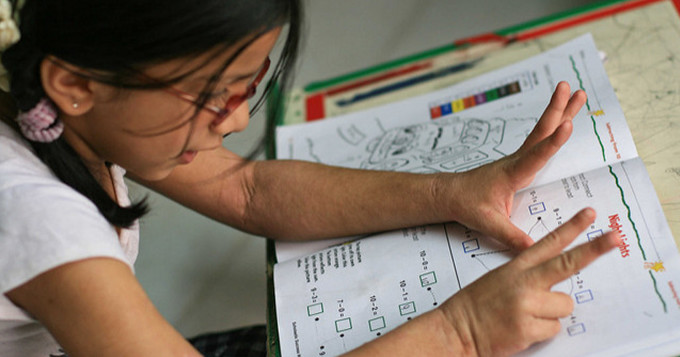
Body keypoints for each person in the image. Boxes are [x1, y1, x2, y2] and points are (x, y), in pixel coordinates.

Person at [0, 0, 620, 356]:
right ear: (76, 85)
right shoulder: (39, 219)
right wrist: (460, 333)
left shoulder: (70, 97)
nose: (239, 119)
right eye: (212, 94)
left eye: (247, 84)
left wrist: (451, 193)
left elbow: (248, 189)